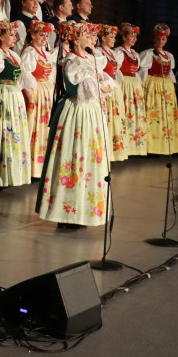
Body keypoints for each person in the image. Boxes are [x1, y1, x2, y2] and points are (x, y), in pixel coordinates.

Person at [38, 22, 113, 228]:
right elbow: (93, 88)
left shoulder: (92, 59)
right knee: (73, 158)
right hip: (76, 112)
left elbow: (108, 84)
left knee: (89, 158)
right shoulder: (72, 61)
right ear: (76, 39)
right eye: (88, 35)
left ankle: (84, 210)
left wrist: (101, 85)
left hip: (91, 112)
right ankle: (68, 212)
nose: (93, 38)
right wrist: (101, 85)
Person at [0, 20, 34, 187]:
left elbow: (20, 78)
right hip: (3, 94)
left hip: (15, 95)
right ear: (1, 36)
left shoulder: (14, 55)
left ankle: (13, 175)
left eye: (15, 35)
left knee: (15, 134)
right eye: (11, 35)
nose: (15, 39)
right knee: (3, 133)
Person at [20, 20, 57, 179]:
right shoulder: (30, 52)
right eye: (41, 35)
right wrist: (31, 96)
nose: (44, 38)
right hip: (35, 93)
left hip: (46, 94)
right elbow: (25, 73)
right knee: (33, 128)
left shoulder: (45, 53)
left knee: (44, 129)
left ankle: (41, 167)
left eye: (46, 35)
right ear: (32, 35)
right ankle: (30, 167)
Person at [139, 23, 178, 154]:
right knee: (152, 113)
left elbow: (170, 73)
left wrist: (172, 85)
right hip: (153, 86)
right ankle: (149, 147)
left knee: (165, 116)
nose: (160, 41)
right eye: (158, 39)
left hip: (165, 86)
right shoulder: (148, 54)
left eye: (163, 39)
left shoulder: (169, 56)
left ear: (166, 40)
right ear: (154, 39)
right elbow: (143, 72)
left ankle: (162, 146)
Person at [95, 25, 129, 163]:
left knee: (115, 118)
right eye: (111, 37)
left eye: (115, 37)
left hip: (114, 88)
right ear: (103, 38)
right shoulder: (98, 52)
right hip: (105, 88)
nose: (114, 40)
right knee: (106, 118)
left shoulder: (112, 53)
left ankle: (114, 151)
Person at [117, 23, 148, 156]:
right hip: (124, 83)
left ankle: (134, 146)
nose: (134, 38)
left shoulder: (135, 54)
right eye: (131, 35)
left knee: (135, 113)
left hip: (134, 84)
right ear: (124, 37)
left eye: (135, 36)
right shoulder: (118, 52)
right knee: (125, 112)